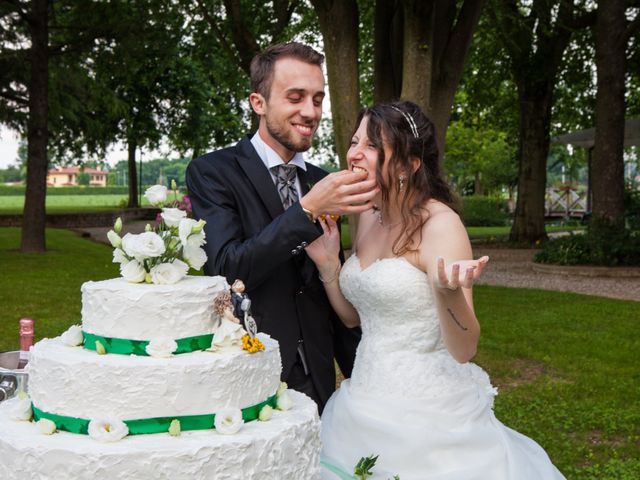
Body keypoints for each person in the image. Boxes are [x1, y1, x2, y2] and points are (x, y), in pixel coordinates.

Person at [305, 100, 566, 479]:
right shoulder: (365, 214)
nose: (354, 153)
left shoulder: (441, 225)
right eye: (354, 140)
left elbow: (465, 349)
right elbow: (354, 318)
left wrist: (447, 292)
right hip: (362, 397)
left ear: (409, 165)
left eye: (372, 146)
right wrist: (331, 266)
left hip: (428, 412)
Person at [185, 42, 378, 412]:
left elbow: (328, 283)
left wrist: (362, 376)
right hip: (249, 369)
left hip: (318, 376)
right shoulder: (213, 172)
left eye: (318, 99)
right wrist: (307, 210)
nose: (311, 111)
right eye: (296, 97)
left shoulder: (323, 181)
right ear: (259, 103)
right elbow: (227, 269)